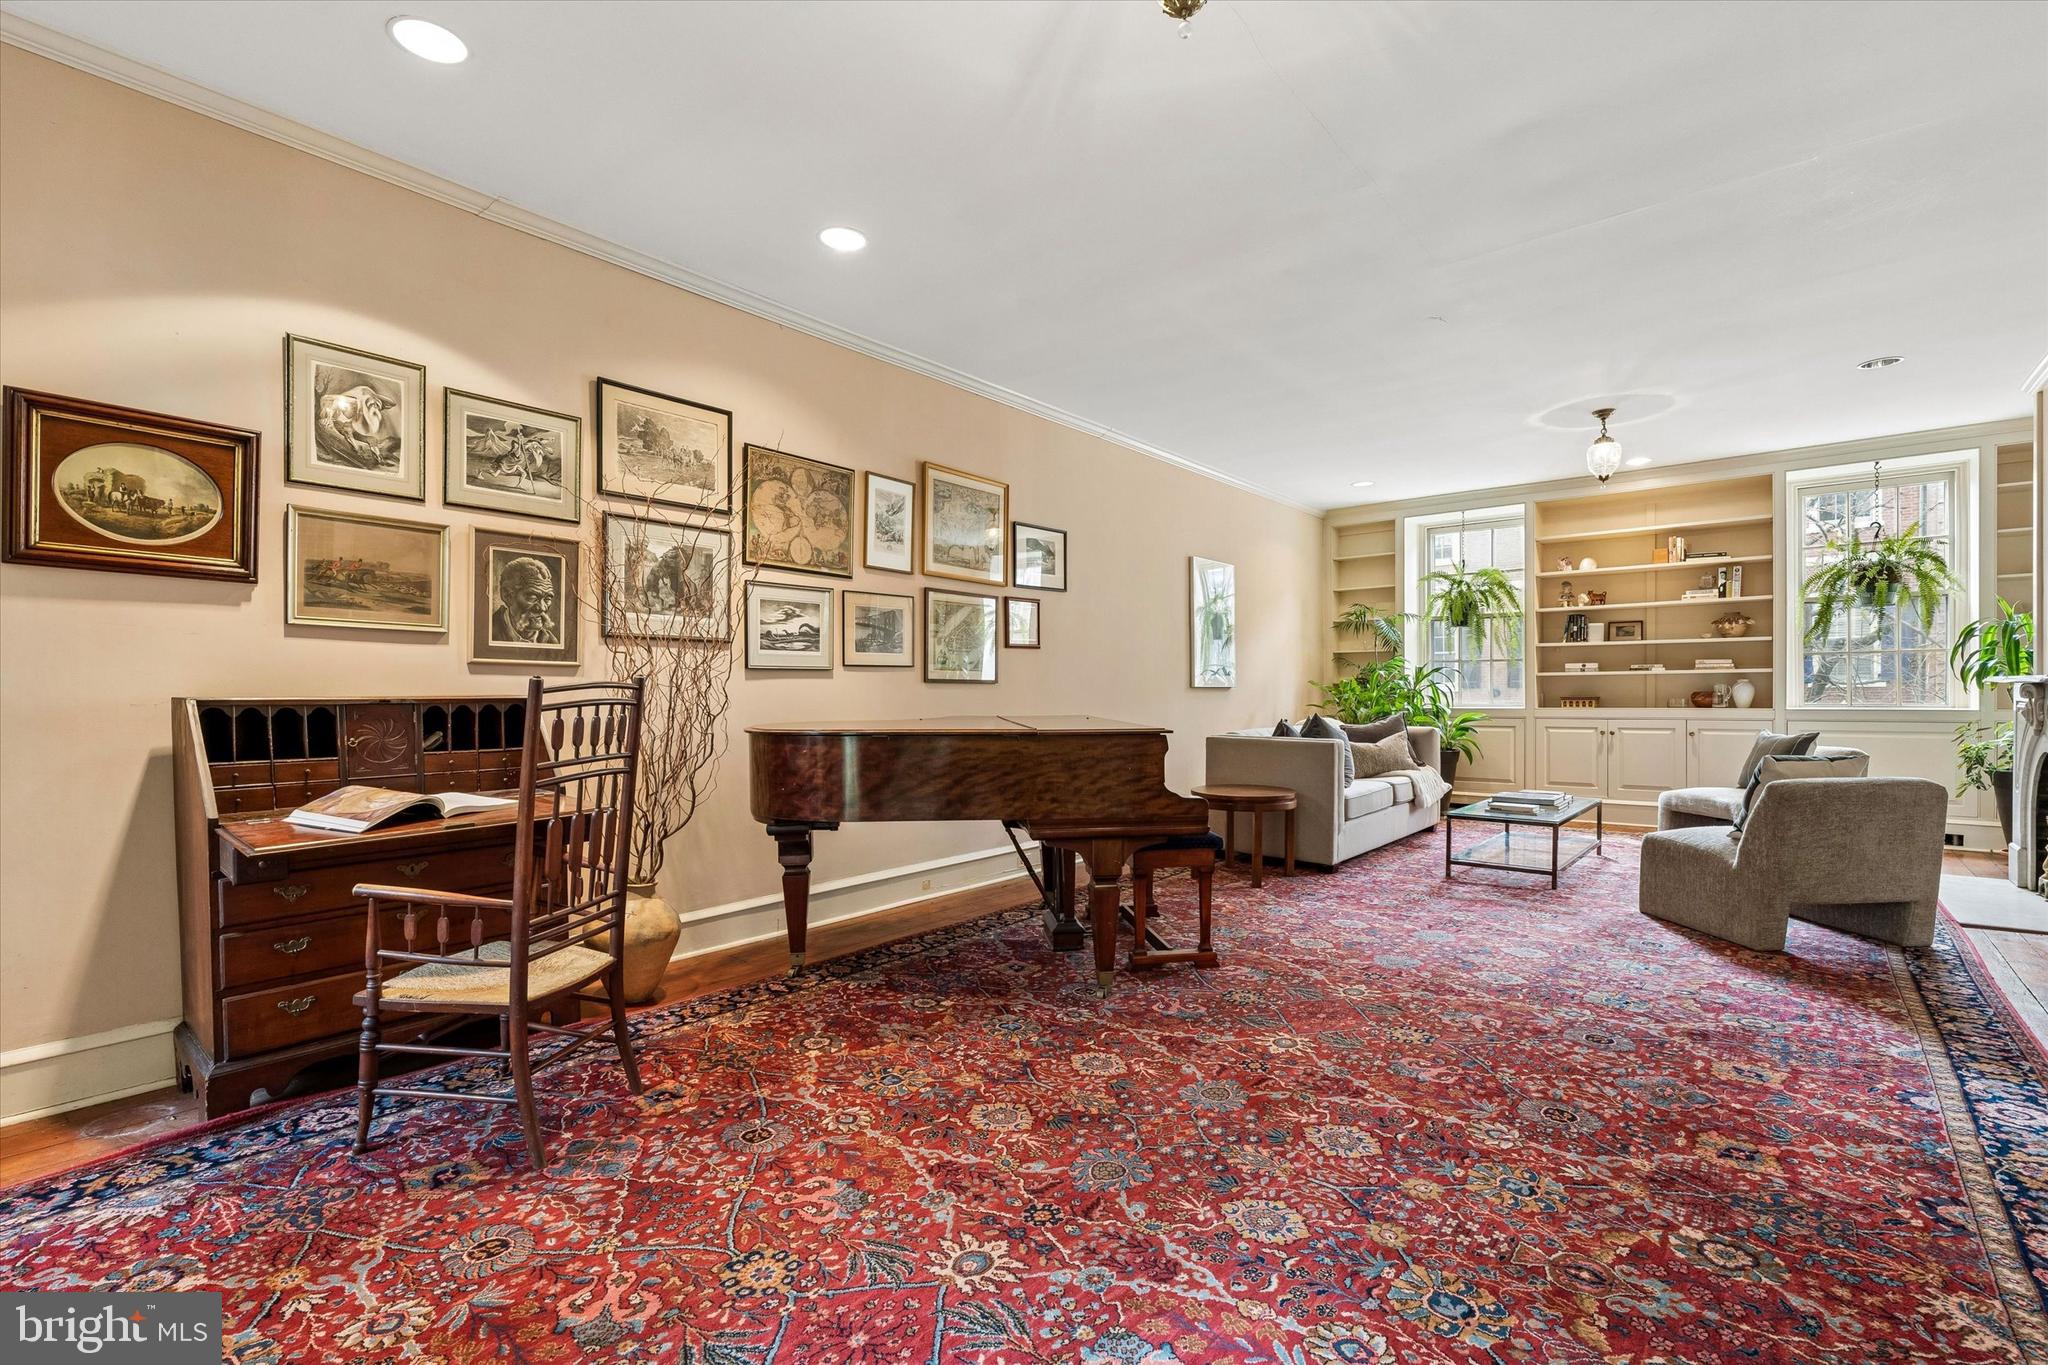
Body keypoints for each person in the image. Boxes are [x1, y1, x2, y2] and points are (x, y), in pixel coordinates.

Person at [491, 555, 559, 644]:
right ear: (507, 596)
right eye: (532, 597)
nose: (542, 608)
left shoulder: (552, 642)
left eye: (547, 599)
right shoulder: (489, 632)